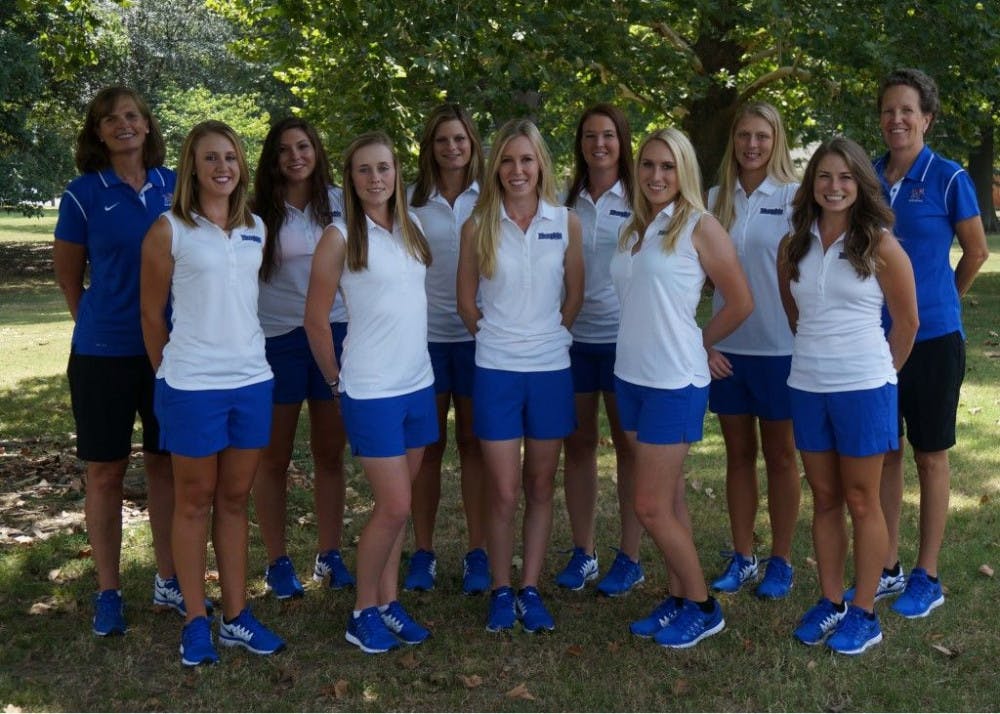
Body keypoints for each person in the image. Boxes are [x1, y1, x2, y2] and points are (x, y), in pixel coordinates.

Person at [141, 120, 285, 666]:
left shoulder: (256, 228)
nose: (222, 167)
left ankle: (236, 616)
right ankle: (196, 621)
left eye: (230, 157)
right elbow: (151, 316)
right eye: (210, 158)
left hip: (251, 381)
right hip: (192, 387)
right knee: (194, 501)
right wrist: (171, 375)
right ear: (192, 168)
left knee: (233, 500)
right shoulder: (168, 230)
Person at [53, 86, 196, 637]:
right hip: (103, 354)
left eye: (132, 115)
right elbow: (69, 276)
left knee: (166, 465)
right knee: (105, 471)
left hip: (169, 350)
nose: (123, 125)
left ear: (148, 125)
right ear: (97, 133)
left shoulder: (172, 185)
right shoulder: (83, 193)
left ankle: (168, 579)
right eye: (110, 120)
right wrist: (96, 324)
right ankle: (108, 591)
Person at [611, 128, 752, 648]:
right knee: (667, 499)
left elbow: (740, 301)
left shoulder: (699, 225)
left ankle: (702, 605)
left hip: (674, 382)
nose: (655, 176)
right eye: (647, 165)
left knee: (648, 506)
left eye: (667, 167)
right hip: (632, 378)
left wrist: (697, 341)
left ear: (685, 171)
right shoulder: (635, 228)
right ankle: (676, 598)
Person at [778, 137, 918, 655]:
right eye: (824, 177)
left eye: (845, 178)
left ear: (861, 183)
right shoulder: (794, 245)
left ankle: (864, 610)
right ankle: (831, 600)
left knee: (863, 500)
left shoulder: (880, 244)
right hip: (808, 386)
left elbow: (907, 323)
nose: (834, 187)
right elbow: (795, 314)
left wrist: (880, 375)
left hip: (864, 388)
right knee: (826, 499)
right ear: (811, 185)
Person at [305, 131, 436, 654]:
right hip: (372, 389)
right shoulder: (339, 235)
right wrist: (337, 383)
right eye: (364, 170)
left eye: (383, 168)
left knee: (399, 506)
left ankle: (387, 601)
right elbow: (315, 322)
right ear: (351, 178)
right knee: (395, 504)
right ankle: (361, 610)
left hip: (418, 383)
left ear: (396, 172)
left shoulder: (413, 227)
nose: (375, 178)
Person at [866, 68, 988, 618]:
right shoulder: (866, 175)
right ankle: (887, 565)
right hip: (874, 339)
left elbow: (977, 251)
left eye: (907, 111)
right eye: (889, 110)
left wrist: (943, 298)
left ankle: (927, 574)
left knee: (930, 456)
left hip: (934, 339)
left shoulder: (948, 176)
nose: (897, 119)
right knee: (885, 451)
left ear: (927, 118)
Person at [457, 119, 584, 632]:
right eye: (507, 161)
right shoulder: (478, 224)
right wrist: (496, 338)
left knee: (539, 484)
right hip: (496, 371)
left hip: (551, 369)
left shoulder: (565, 221)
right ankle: (499, 587)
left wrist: (552, 334)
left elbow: (575, 292)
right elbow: (465, 302)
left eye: (526, 160)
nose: (517, 170)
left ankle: (529, 588)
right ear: (495, 169)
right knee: (504, 489)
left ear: (541, 165)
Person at [251, 118, 355, 599]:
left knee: (329, 453)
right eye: (285, 149)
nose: (296, 156)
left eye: (304, 146)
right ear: (273, 159)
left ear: (317, 151)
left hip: (334, 332)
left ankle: (329, 552)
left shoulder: (340, 202)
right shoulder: (256, 212)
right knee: (272, 457)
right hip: (278, 338)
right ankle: (277, 561)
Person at [706, 102, 801, 599]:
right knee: (738, 456)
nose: (752, 145)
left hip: (780, 349)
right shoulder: (713, 198)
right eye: (744, 135)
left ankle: (781, 561)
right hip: (728, 352)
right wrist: (704, 344)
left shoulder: (792, 196)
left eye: (762, 136)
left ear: (776, 140)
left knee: (782, 457)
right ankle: (744, 555)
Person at [556, 103, 644, 596]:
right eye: (590, 136)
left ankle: (630, 556)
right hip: (572, 340)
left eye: (608, 135)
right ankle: (584, 551)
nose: (599, 144)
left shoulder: (639, 198)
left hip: (624, 340)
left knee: (630, 448)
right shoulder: (562, 200)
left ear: (621, 140)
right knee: (579, 445)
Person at [404, 104, 489, 594]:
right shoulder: (410, 202)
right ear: (429, 147)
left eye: (459, 139)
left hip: (479, 338)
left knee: (475, 446)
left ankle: (478, 552)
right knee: (427, 448)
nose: (452, 148)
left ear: (472, 143)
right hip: (426, 339)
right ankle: (424, 551)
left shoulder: (491, 198)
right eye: (442, 140)